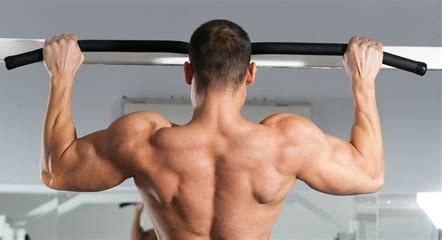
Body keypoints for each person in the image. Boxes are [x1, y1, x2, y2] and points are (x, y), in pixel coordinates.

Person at [40, 19, 384, 239]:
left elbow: (57, 171)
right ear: (250, 73)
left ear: (189, 73)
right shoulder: (287, 143)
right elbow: (369, 175)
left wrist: (62, 76)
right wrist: (363, 81)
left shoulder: (144, 141)